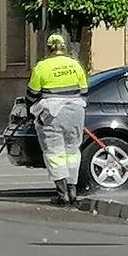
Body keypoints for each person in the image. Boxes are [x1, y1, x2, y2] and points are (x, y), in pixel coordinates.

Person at [27, 33, 88, 206]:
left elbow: (32, 94)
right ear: (64, 47)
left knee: (55, 153)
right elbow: (84, 91)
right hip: (76, 112)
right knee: (73, 152)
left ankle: (62, 194)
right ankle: (72, 190)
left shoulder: (42, 67)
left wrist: (29, 111)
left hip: (52, 114)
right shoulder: (75, 65)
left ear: (48, 48)